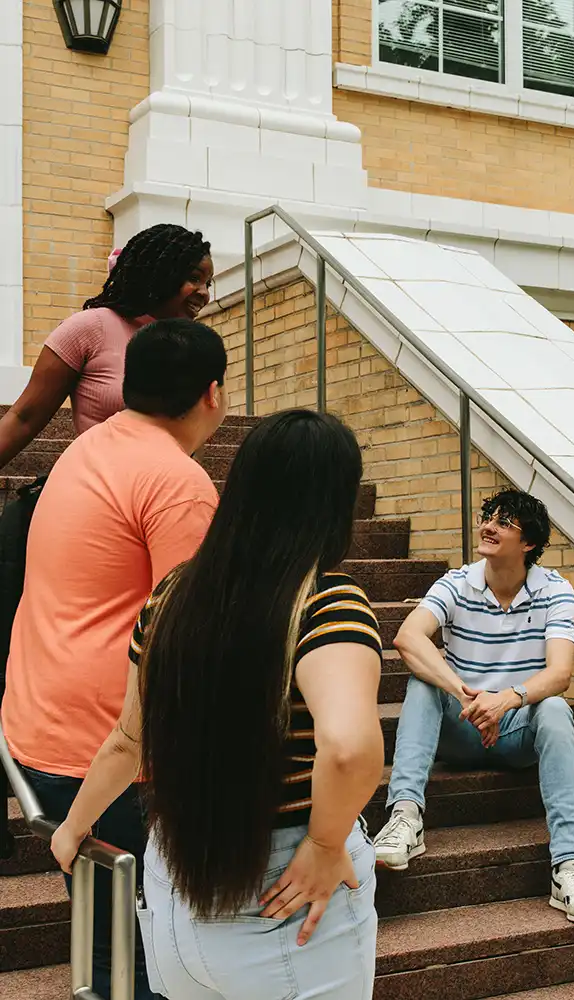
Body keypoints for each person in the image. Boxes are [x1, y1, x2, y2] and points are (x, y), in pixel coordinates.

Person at [50, 410, 384, 1000]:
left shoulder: (174, 594)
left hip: (174, 881)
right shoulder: (327, 602)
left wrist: (74, 827)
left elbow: (130, 738)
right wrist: (328, 844)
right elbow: (351, 746)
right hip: (283, 894)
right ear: (337, 501)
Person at [1, 318, 228, 1000]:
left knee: (108, 942)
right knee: (140, 960)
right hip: (104, 752)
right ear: (212, 393)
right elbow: (185, 645)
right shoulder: (178, 484)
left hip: (36, 727)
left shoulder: (88, 447)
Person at [374, 487, 574, 923]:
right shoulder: (457, 583)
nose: (487, 527)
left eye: (503, 523)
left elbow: (560, 674)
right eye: (488, 517)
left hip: (516, 729)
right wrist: (465, 693)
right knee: (424, 683)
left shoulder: (555, 591)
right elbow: (407, 637)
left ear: (529, 543)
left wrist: (506, 701)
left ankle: (570, 867)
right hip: (462, 726)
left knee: (556, 708)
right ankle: (406, 816)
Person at [0, 224, 213, 467]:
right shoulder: (90, 328)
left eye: (209, 283)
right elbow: (23, 418)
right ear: (162, 272)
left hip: (166, 494)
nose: (204, 294)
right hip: (103, 491)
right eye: (194, 278)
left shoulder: (192, 348)